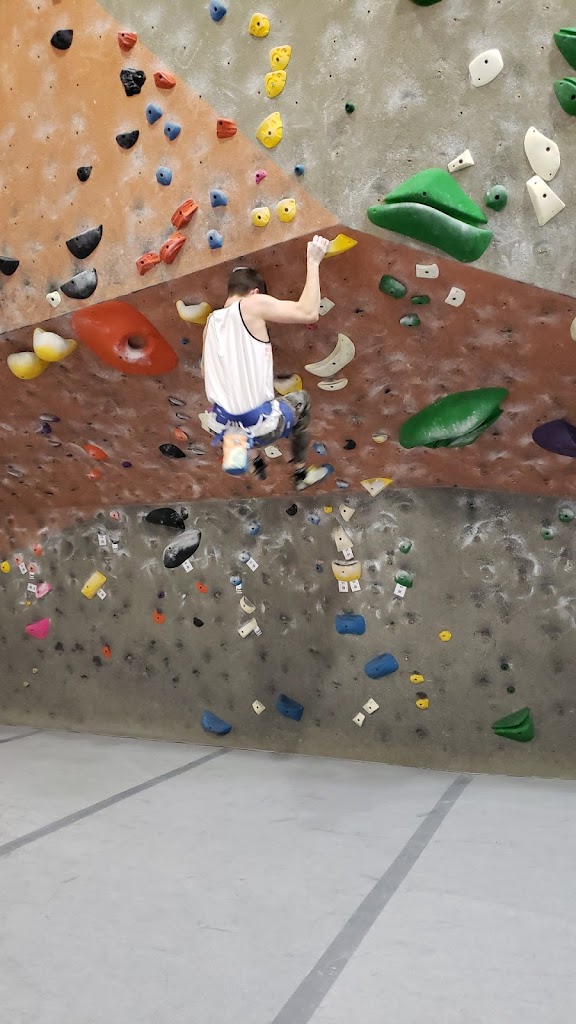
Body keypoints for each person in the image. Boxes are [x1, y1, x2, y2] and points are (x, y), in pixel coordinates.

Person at [201, 234, 330, 489]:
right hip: (265, 426)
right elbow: (308, 312)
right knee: (302, 400)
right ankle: (300, 473)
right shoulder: (253, 303)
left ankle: (253, 458)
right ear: (254, 292)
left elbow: (206, 370)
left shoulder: (210, 323)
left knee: (248, 412)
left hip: (221, 424)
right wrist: (314, 260)